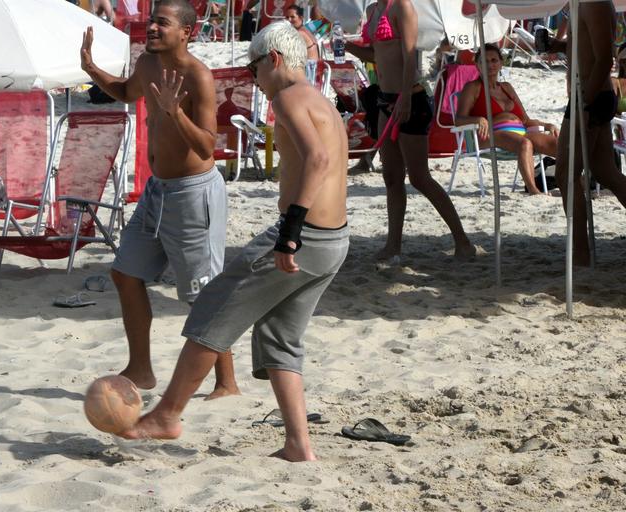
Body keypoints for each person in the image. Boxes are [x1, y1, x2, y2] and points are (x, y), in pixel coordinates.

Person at [118, 21, 350, 463]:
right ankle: (299, 445)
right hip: (335, 240)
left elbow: (317, 160)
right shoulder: (319, 98)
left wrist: (290, 235)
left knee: (213, 306)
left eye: (254, 67)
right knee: (280, 338)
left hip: (305, 237)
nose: (253, 76)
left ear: (275, 61)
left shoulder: (288, 96)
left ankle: (167, 414)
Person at [80, 0, 240, 398]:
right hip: (157, 190)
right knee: (125, 273)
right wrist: (92, 69)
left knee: (203, 290)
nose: (151, 27)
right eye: (152, 20)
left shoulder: (198, 76)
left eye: (161, 23)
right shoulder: (147, 63)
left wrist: (174, 113)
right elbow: (125, 92)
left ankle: (227, 382)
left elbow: (206, 147)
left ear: (186, 32)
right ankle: (141, 369)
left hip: (193, 194)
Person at [346, 0, 475, 261]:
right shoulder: (373, 11)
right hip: (385, 98)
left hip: (411, 98)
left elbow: (409, 57)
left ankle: (463, 241)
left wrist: (404, 96)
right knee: (392, 177)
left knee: (419, 177)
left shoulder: (402, 7)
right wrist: (349, 48)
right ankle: (393, 245)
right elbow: (378, 54)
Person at [551, 1, 626, 266]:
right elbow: (587, 50)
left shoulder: (593, 3)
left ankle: (580, 254)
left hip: (590, 96)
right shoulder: (580, 4)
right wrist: (557, 46)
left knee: (566, 173)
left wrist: (585, 103)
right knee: (606, 173)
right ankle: (580, 253)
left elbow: (605, 58)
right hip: (591, 95)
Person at [455, 43, 559, 195]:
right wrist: (478, 119)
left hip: (520, 132)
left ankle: (580, 182)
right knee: (525, 143)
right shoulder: (473, 87)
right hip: (489, 135)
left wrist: (548, 125)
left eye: (494, 60)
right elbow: (458, 120)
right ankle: (533, 190)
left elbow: (525, 120)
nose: (490, 65)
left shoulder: (507, 87)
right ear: (477, 65)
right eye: (484, 61)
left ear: (501, 63)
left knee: (557, 143)